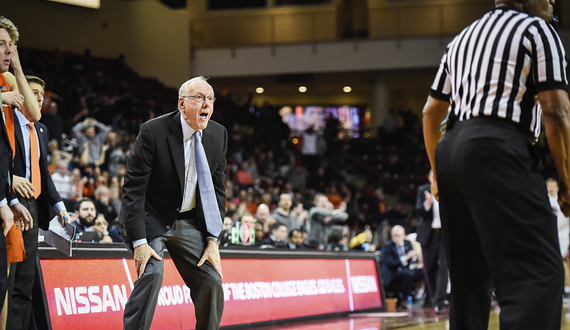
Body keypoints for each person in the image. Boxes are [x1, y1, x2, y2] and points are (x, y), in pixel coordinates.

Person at [422, 0, 567, 328]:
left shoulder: (462, 38)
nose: (553, 2)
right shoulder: (537, 29)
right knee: (538, 273)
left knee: (468, 281)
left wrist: (435, 171)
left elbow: (430, 112)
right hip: (497, 145)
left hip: (451, 148)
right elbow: (556, 110)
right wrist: (567, 180)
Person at [120, 76, 226, 330]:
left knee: (212, 282)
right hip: (152, 217)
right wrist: (139, 243)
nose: (207, 104)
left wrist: (213, 240)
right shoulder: (153, 131)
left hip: (190, 221)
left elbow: (217, 191)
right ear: (181, 103)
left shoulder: (218, 134)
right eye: (200, 97)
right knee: (152, 274)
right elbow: (133, 190)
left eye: (210, 99)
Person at [7, 75, 71, 330]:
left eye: (41, 95)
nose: (38, 98)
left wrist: (60, 205)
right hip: (10, 202)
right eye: (32, 92)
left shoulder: (41, 130)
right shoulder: (7, 121)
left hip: (32, 206)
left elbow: (43, 174)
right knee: (9, 277)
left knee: (25, 277)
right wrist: (10, 179)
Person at [0, 17, 33, 322]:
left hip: (4, 187)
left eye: (11, 45)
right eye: (2, 45)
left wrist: (17, 66)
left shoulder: (8, 78)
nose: (7, 51)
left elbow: (33, 113)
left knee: (5, 282)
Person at [415, 170, 448, 314]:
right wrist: (427, 204)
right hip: (429, 235)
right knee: (429, 269)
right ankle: (436, 298)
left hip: (444, 234)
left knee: (444, 267)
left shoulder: (447, 189)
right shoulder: (423, 190)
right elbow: (418, 212)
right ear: (429, 177)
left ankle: (440, 302)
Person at [380, 225, 423, 309]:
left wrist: (413, 257)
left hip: (407, 271)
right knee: (408, 274)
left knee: (424, 272)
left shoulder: (407, 243)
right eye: (394, 236)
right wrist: (407, 257)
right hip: (393, 274)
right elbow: (391, 264)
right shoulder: (387, 247)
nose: (396, 238)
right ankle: (404, 300)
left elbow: (412, 259)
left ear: (404, 235)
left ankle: (423, 299)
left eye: (398, 235)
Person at [546, 178, 570, 296]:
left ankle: (567, 290)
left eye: (553, 186)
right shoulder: (543, 200)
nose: (550, 188)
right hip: (547, 236)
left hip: (562, 236)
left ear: (557, 188)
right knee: (546, 263)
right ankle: (550, 290)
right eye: (548, 186)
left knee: (563, 262)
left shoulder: (562, 199)